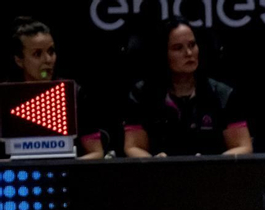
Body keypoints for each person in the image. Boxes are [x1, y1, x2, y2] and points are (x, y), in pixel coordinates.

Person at [123, 19, 252, 158]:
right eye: (178, 48)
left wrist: (209, 164)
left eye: (192, 45)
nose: (189, 53)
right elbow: (133, 146)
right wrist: (155, 163)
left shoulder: (223, 95)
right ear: (162, 53)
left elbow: (243, 146)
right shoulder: (142, 94)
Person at [10, 17, 104, 159]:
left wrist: (66, 171)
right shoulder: (6, 97)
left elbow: (96, 153)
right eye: (37, 54)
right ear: (19, 60)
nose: (48, 60)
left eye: (51, 51)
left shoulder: (73, 94)